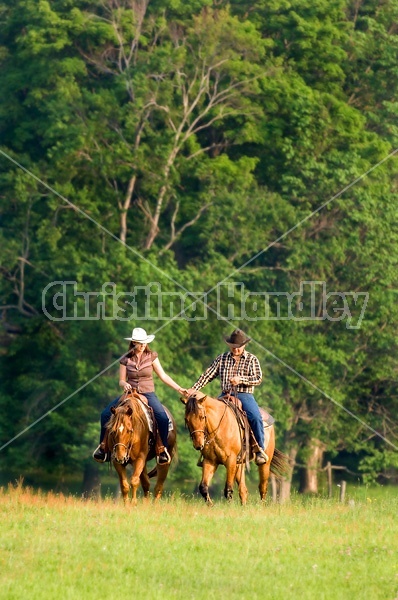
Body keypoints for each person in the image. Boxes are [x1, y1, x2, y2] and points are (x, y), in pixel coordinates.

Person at [93, 327, 186, 465]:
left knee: (162, 417)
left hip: (148, 393)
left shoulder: (152, 356)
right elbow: (121, 380)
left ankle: (162, 449)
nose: (143, 345)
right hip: (129, 393)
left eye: (144, 343)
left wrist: (179, 388)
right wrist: (124, 384)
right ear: (133, 343)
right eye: (140, 343)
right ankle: (103, 448)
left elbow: (163, 376)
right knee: (105, 414)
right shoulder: (125, 359)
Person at [186, 328, 268, 466]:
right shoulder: (222, 358)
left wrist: (241, 379)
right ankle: (206, 451)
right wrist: (194, 389)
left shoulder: (252, 359)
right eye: (233, 347)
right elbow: (208, 375)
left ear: (244, 345)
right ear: (229, 345)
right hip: (225, 395)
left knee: (255, 417)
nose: (236, 350)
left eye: (239, 347)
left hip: (244, 394)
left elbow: (258, 378)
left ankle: (259, 448)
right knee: (206, 415)